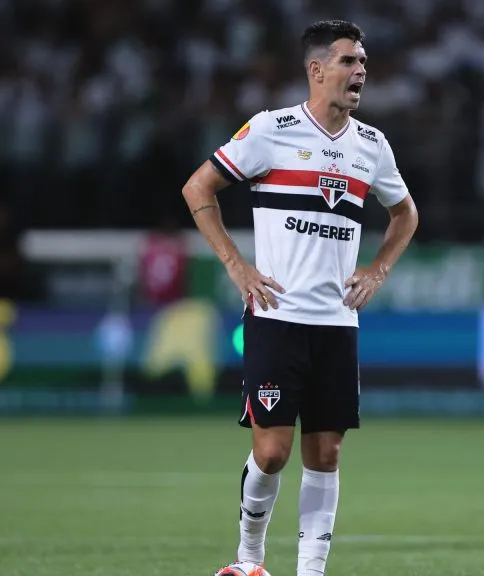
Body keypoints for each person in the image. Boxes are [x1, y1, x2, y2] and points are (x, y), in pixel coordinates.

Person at [180, 20, 419, 576]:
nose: (360, 71)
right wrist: (237, 266)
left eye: (362, 61)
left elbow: (405, 213)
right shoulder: (271, 130)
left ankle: (311, 570)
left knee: (327, 454)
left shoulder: (372, 145)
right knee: (271, 453)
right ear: (316, 70)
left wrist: (377, 270)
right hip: (276, 317)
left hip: (337, 323)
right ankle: (249, 559)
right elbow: (198, 188)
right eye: (348, 61)